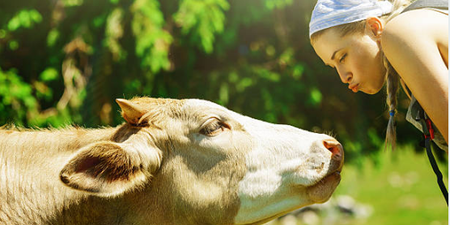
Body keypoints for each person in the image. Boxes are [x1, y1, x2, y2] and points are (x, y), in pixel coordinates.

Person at [309, 0, 448, 151]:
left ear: (374, 29)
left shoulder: (401, 33)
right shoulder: (418, 24)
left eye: (342, 57)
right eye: (333, 66)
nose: (343, 77)